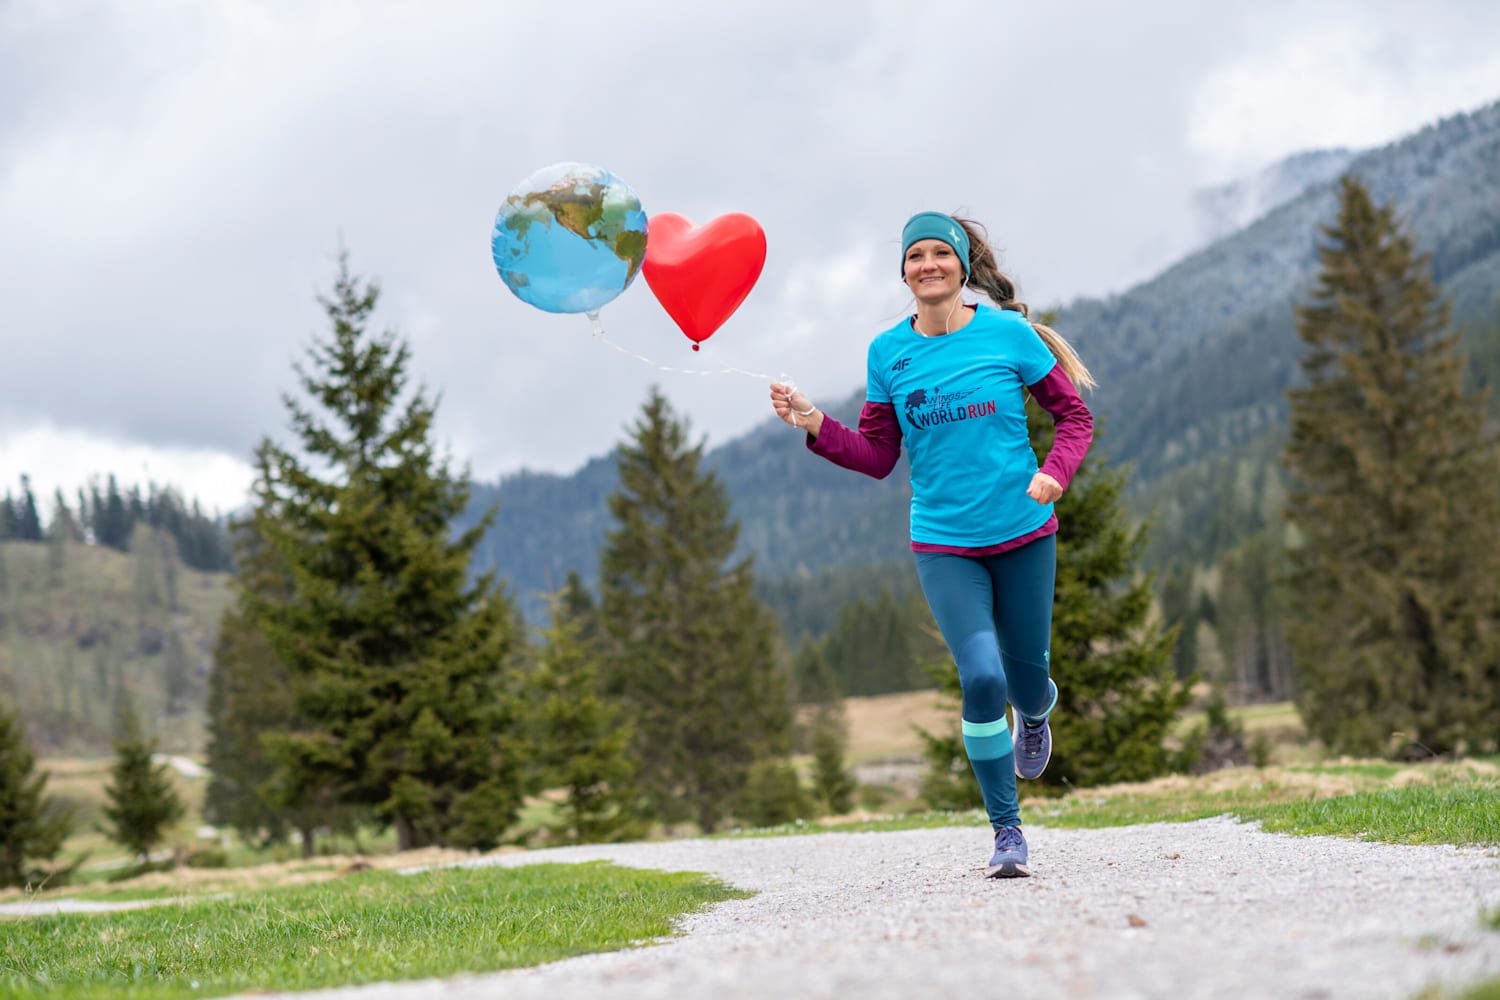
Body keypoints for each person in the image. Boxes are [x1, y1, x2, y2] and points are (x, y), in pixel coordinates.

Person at [769, 211, 1095, 878]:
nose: (927, 265)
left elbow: (1073, 415)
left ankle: (1036, 713)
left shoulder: (1009, 336)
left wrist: (1054, 472)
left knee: (1026, 683)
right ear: (904, 273)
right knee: (980, 677)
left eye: (938, 253)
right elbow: (877, 455)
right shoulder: (888, 353)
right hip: (944, 543)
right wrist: (812, 422)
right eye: (914, 256)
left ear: (960, 266)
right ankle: (1007, 832)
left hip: (1025, 533)